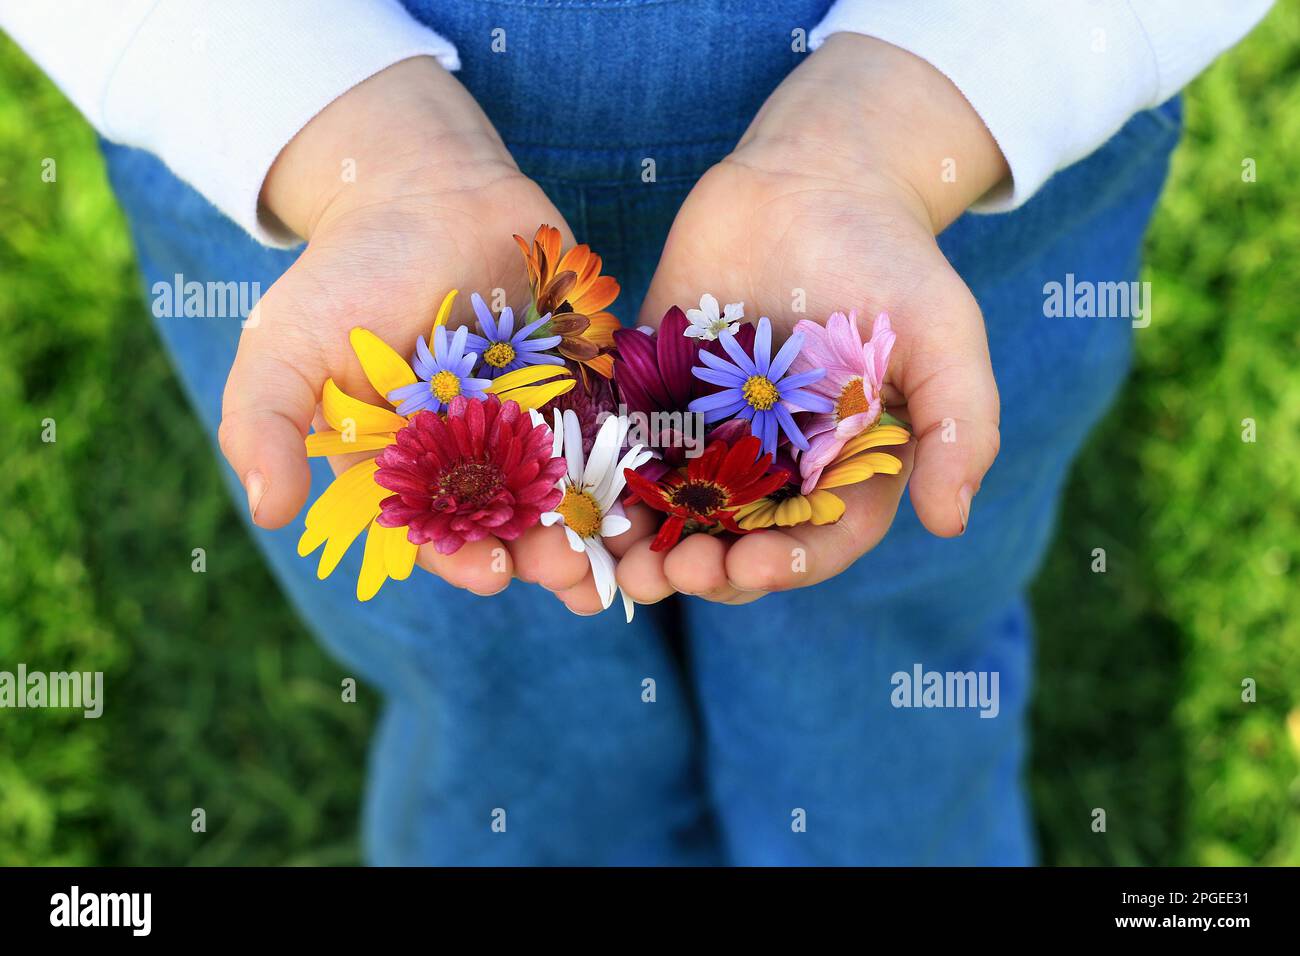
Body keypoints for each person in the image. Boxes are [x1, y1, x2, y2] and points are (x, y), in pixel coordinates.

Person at [2, 1, 1271, 865]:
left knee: (886, 636)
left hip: (958, 164)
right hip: (309, 165)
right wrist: (340, 129)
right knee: (488, 662)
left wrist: (917, 105)